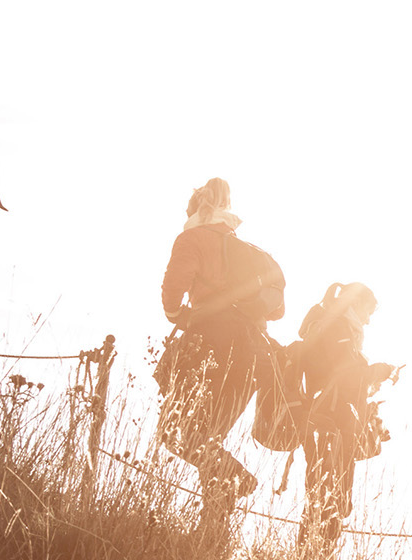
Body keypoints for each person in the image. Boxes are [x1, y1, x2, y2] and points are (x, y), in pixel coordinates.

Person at [155, 177, 285, 541]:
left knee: (177, 431)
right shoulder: (255, 254)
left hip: (209, 347)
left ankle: (236, 481)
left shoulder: (192, 239)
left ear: (197, 209)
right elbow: (279, 309)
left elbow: (172, 289)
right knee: (209, 438)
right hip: (253, 357)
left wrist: (176, 315)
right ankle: (213, 534)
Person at [291, 282, 396, 555]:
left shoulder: (332, 325)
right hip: (331, 423)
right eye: (368, 312)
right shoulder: (338, 328)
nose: (369, 320)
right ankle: (316, 551)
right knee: (330, 495)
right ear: (355, 304)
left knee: (322, 493)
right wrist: (378, 371)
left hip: (324, 420)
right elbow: (346, 375)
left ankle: (309, 551)